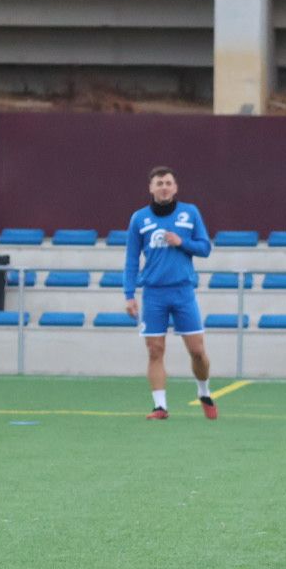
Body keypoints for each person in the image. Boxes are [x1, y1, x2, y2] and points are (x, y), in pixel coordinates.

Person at [122, 166, 217, 420]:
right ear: (151, 188)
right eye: (159, 183)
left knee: (197, 350)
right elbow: (131, 259)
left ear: (175, 187)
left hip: (183, 291)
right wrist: (129, 294)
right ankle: (160, 406)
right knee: (155, 350)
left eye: (168, 183)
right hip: (153, 293)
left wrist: (181, 242)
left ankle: (204, 391)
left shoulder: (190, 212)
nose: (164, 187)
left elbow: (205, 248)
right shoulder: (139, 219)